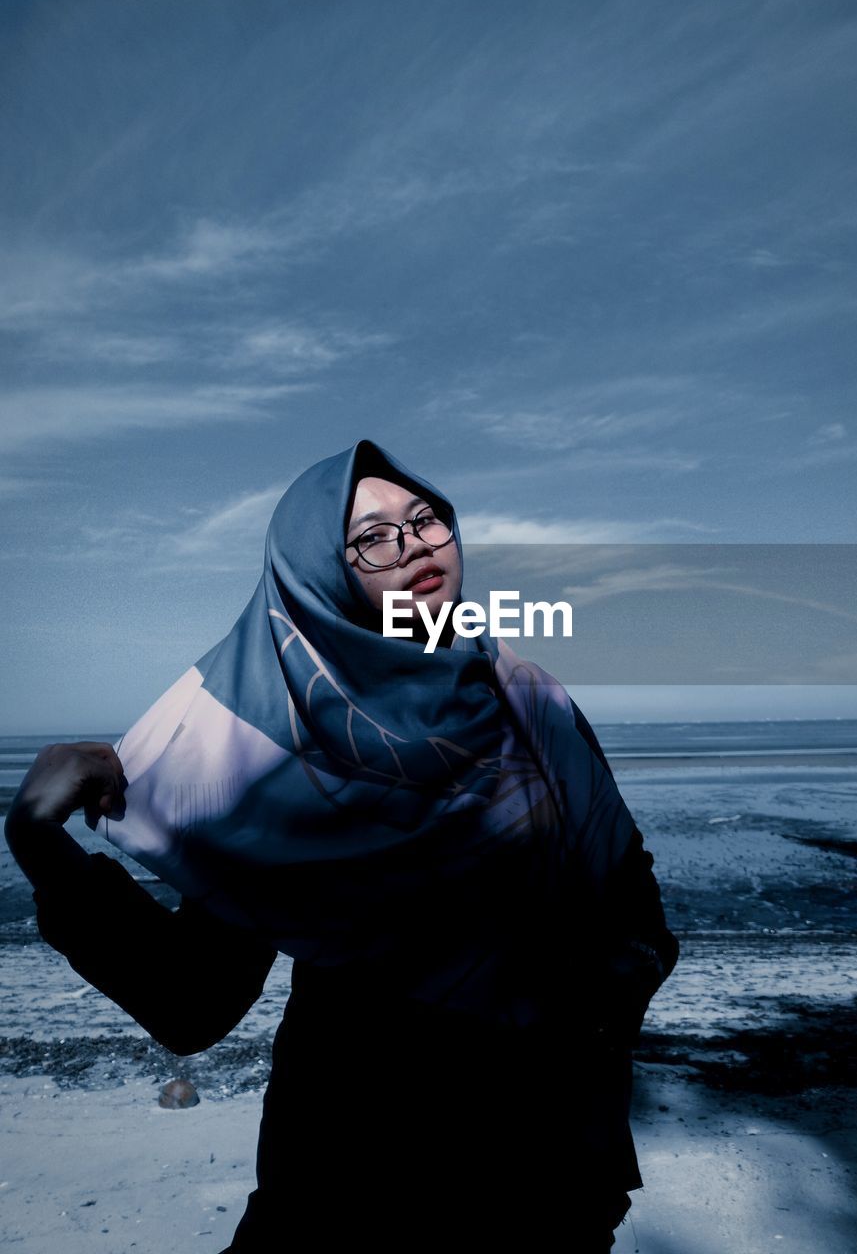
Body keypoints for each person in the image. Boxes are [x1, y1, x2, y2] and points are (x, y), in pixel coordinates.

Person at [5, 439, 679, 1252]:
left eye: (427, 519)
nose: (418, 545)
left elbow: (632, 902)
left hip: (547, 1173)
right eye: (373, 537)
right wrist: (39, 843)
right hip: (353, 1179)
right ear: (319, 576)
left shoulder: (529, 703)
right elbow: (194, 1001)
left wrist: (593, 1025)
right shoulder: (286, 757)